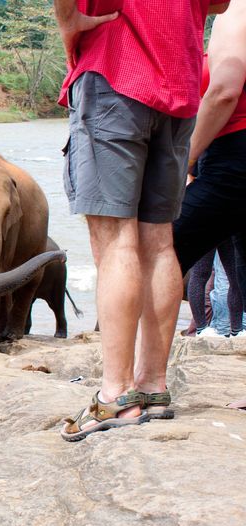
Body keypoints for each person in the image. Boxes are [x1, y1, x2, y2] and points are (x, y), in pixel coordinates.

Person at [55, 0, 230, 441]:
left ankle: (115, 394)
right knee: (158, 242)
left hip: (116, 70)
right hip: (180, 81)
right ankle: (152, 387)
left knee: (116, 242)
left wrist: (68, 21)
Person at [171, 0, 246, 408]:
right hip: (230, 157)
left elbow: (223, 92)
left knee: (164, 247)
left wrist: (185, 159)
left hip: (233, 157)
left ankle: (140, 378)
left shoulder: (235, 14)